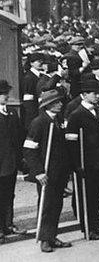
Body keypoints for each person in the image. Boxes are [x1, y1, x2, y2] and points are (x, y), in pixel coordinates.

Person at [65, 78, 99, 239]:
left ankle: (96, 225)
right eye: (94, 93)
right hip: (85, 162)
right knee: (86, 197)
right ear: (84, 95)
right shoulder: (76, 114)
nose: (97, 96)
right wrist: (76, 164)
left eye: (98, 93)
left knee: (97, 195)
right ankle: (87, 228)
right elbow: (71, 143)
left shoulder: (97, 110)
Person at [24, 90, 72, 253]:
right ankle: (44, 239)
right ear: (48, 105)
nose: (60, 104)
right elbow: (29, 150)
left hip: (59, 172)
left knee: (56, 205)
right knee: (46, 205)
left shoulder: (58, 120)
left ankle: (52, 235)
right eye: (56, 102)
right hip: (46, 172)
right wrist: (38, 172)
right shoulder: (38, 122)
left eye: (60, 101)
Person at [0, 80, 25, 242]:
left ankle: (8, 225)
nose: (6, 96)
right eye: (3, 93)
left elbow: (19, 137)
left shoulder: (11, 113)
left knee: (9, 195)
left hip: (11, 162)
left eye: (7, 93)